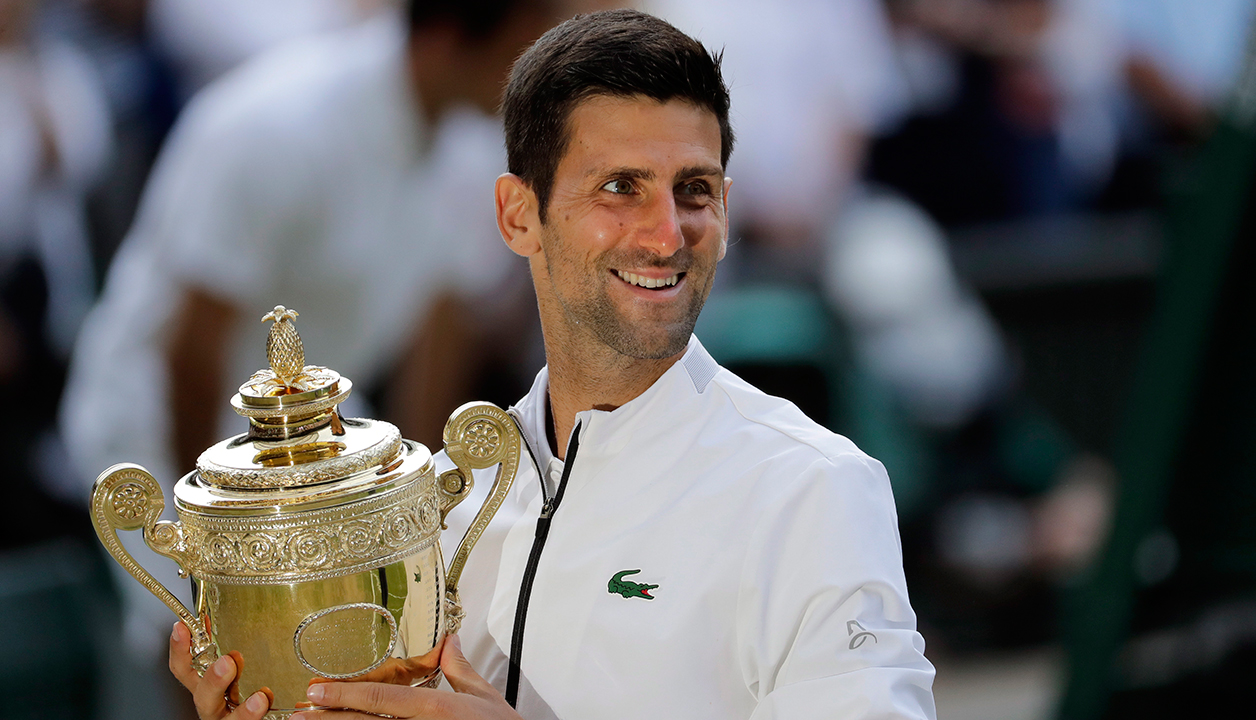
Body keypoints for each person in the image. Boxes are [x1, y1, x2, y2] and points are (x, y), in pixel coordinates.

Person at [170, 9, 937, 719]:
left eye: (694, 190)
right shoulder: (435, 504)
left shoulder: (816, 491)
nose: (667, 234)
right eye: (620, 188)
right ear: (517, 215)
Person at [62, 2, 552, 718]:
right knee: (211, 664)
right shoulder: (277, 126)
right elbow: (190, 347)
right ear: (450, 38)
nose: (538, 70)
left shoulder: (473, 141)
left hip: (317, 440)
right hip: (157, 434)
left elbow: (439, 325)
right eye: (524, 45)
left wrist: (414, 512)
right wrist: (208, 548)